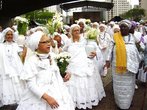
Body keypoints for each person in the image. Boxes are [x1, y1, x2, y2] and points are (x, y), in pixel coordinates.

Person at [16, 31, 75, 110]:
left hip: (58, 93)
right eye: (44, 42)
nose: (49, 44)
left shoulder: (54, 57)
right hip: (40, 97)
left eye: (49, 41)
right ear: (37, 45)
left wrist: (66, 75)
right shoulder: (31, 61)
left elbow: (56, 76)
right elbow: (31, 85)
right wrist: (47, 97)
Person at [63, 24, 105, 110]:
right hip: (72, 64)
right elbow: (63, 50)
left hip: (84, 62)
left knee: (87, 79)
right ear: (71, 32)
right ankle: (74, 100)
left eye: (78, 30)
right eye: (75, 30)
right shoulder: (68, 41)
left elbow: (94, 48)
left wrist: (94, 53)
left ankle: (87, 99)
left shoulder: (84, 40)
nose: (77, 32)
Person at [105, 20, 140, 110]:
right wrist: (107, 60)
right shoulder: (115, 37)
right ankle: (120, 104)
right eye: (122, 27)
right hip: (117, 66)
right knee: (118, 85)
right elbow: (109, 49)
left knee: (129, 85)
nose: (123, 28)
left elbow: (139, 45)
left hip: (130, 66)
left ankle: (128, 102)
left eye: (125, 27)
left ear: (129, 28)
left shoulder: (133, 37)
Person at [0, 27, 24, 108]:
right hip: (5, 70)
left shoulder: (16, 45)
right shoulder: (1, 46)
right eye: (8, 35)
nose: (10, 36)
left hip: (16, 69)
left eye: (11, 34)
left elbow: (22, 56)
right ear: (5, 36)